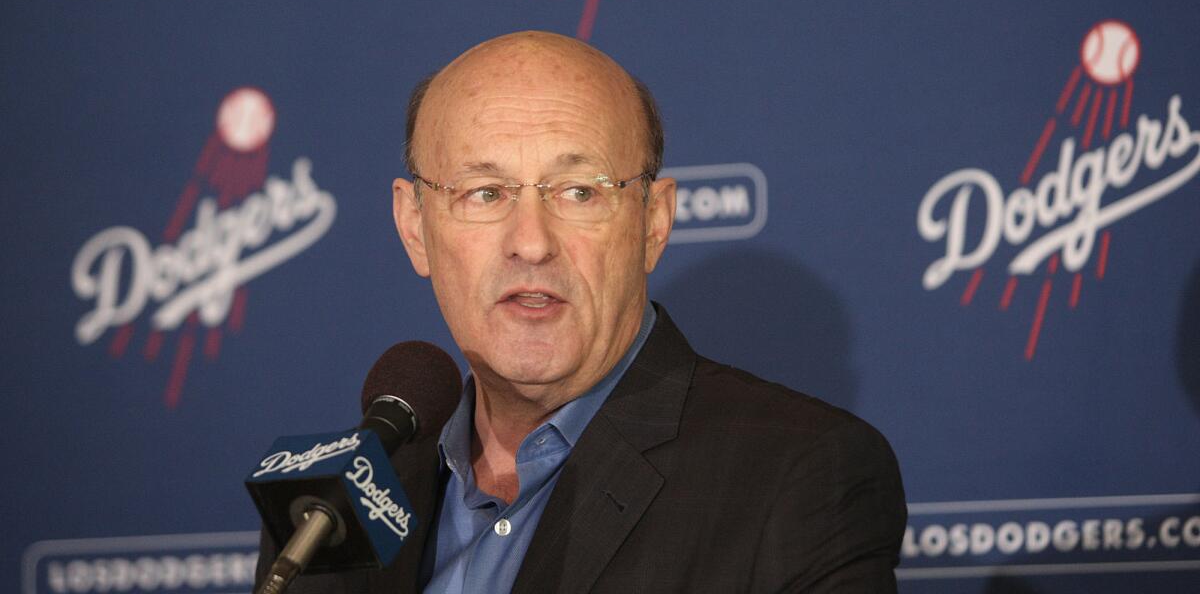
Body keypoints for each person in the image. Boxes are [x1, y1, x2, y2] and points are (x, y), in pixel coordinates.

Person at [257, 30, 906, 593]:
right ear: (414, 226)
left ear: (653, 222)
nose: (532, 242)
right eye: (485, 192)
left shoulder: (798, 477)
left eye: (578, 192)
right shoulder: (328, 509)